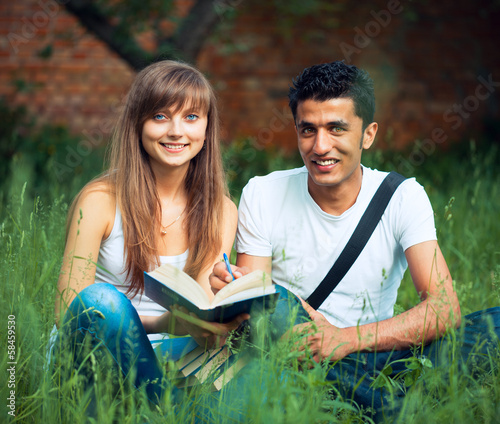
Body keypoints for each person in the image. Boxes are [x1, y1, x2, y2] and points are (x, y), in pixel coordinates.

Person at [210, 61, 500, 415]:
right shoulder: (263, 193)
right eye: (308, 130)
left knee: (494, 323)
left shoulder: (402, 196)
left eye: (336, 129)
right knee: (276, 307)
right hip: (306, 356)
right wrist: (236, 292)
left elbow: (443, 307)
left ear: (368, 134)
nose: (320, 146)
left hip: (381, 350)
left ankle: (374, 402)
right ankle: (393, 406)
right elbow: (259, 310)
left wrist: (346, 340)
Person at [53, 60, 245, 403]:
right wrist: (161, 324)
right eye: (160, 116)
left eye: (191, 117)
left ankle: (158, 407)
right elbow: (69, 310)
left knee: (255, 357)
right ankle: (163, 410)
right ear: (138, 125)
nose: (176, 131)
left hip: (172, 355)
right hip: (95, 352)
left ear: (206, 128)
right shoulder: (100, 200)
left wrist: (222, 313)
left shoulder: (221, 211)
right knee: (103, 302)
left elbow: (195, 313)